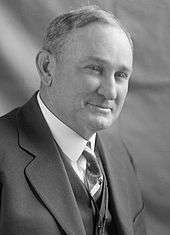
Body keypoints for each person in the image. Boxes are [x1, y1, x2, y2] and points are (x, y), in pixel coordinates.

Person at [0, 5, 146, 235]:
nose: (110, 92)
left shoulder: (119, 155)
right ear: (47, 68)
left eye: (120, 75)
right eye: (95, 69)